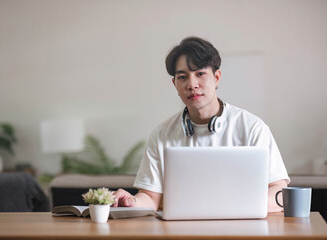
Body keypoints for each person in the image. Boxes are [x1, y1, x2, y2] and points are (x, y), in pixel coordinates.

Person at [113, 36, 290, 212]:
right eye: (183, 77)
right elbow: (151, 198)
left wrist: (222, 205)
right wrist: (131, 201)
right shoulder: (161, 134)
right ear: (175, 84)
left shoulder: (252, 127)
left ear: (217, 77)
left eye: (200, 74)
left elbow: (279, 193)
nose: (192, 84)